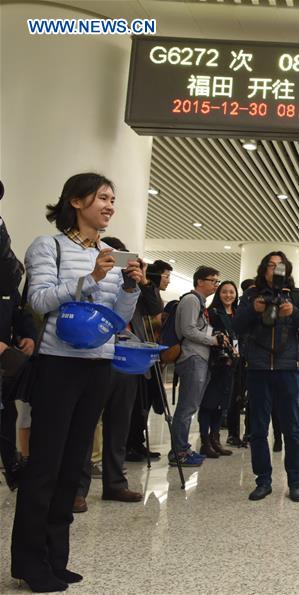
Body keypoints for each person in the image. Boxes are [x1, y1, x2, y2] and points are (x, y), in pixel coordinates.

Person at [11, 173, 142, 592]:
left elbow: (119, 318)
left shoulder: (110, 252)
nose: (109, 206)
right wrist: (91, 279)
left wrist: (129, 287)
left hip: (98, 365)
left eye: (112, 199)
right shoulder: (47, 245)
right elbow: (39, 300)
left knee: (73, 465)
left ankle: (56, 557)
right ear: (76, 200)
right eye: (102, 197)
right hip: (57, 364)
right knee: (45, 465)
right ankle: (30, 562)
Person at [73, 237, 151, 513]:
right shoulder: (93, 277)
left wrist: (140, 281)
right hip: (95, 355)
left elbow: (153, 309)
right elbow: (80, 301)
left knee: (120, 424)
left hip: (127, 358)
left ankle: (115, 482)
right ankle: (77, 489)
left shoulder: (130, 280)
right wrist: (99, 273)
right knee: (86, 425)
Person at [234, 252, 299, 502]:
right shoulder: (251, 295)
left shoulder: (297, 295)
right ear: (263, 269)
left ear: (286, 270)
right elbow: (237, 325)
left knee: (292, 429)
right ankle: (263, 481)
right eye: (270, 265)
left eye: (279, 266)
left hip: (287, 368)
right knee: (258, 429)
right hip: (258, 368)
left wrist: (293, 313)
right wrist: (253, 310)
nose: (274, 269)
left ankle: (295, 482)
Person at [169, 266, 228, 468]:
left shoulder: (200, 303)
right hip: (192, 357)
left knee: (191, 406)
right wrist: (212, 340)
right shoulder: (191, 300)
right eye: (213, 280)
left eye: (217, 281)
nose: (216, 285)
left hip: (200, 358)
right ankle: (179, 452)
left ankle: (181, 448)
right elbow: (188, 330)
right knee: (187, 407)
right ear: (200, 282)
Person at [125, 259, 170, 462]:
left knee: (144, 402)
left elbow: (154, 308)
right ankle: (128, 444)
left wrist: (143, 282)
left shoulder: (145, 288)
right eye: (166, 275)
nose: (168, 280)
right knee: (132, 404)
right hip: (129, 351)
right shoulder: (122, 288)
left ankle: (136, 442)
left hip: (146, 354)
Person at [0, 276, 36, 490]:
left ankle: (13, 471)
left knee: (7, 415)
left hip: (4, 366)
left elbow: (20, 315)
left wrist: (29, 336)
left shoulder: (7, 286)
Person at [197, 281, 239, 458]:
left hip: (233, 363)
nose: (228, 295)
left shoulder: (238, 315)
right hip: (216, 363)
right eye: (224, 292)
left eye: (232, 292)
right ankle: (205, 442)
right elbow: (207, 334)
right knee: (209, 403)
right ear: (218, 294)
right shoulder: (211, 313)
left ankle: (216, 440)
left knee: (223, 404)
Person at [225, 278, 256, 447]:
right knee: (235, 397)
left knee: (251, 398)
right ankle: (233, 433)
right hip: (239, 358)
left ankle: (249, 433)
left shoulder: (256, 310)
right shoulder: (239, 310)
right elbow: (234, 333)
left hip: (253, 358)